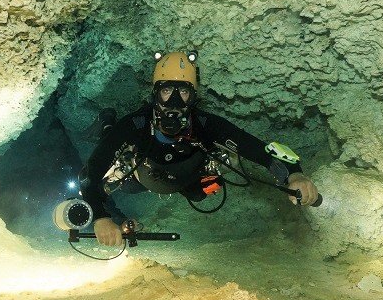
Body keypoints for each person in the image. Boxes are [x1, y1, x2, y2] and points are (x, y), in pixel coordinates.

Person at [78, 51, 320, 247]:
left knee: (200, 194)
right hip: (141, 176)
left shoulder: (205, 125)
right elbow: (91, 173)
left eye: (182, 92)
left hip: (187, 178)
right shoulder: (136, 124)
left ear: (193, 97)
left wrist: (294, 174)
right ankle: (107, 123)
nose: (174, 101)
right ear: (155, 95)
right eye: (166, 91)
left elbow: (262, 151)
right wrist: (100, 217)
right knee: (118, 184)